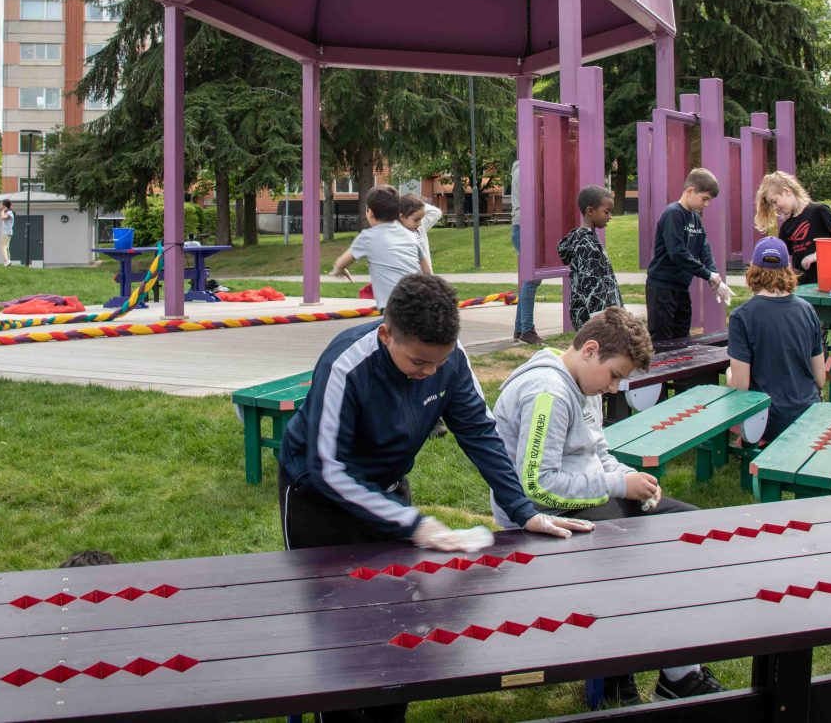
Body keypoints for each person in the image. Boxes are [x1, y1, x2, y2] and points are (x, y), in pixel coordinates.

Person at [278, 275, 592, 723]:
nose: (429, 372)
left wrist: (523, 512)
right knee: (337, 632)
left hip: (387, 488)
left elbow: (479, 432)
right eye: (418, 362)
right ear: (387, 335)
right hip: (318, 498)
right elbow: (330, 469)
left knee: (403, 620)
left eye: (438, 362)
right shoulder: (347, 363)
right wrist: (414, 524)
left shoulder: (449, 359)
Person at [491, 305, 724, 704]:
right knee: (641, 555)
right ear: (590, 350)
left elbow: (598, 454)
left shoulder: (585, 383)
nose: (615, 388)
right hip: (542, 521)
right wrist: (617, 484)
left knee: (693, 530)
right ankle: (674, 675)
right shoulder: (547, 392)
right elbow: (535, 488)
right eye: (615, 375)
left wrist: (633, 480)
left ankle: (647, 668)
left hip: (583, 505)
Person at [726, 236, 826, 444]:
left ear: (752, 269)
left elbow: (740, 386)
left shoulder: (742, 316)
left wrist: (728, 374)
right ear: (788, 269)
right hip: (808, 412)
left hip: (769, 419)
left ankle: (748, 441)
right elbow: (820, 378)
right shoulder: (807, 310)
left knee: (731, 379)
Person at [645, 168, 732, 345]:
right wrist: (707, 274)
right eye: (705, 199)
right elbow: (678, 253)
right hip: (662, 287)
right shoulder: (673, 214)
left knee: (682, 340)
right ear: (690, 191)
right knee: (662, 342)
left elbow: (704, 249)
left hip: (681, 288)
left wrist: (715, 277)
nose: (706, 204)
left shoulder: (695, 218)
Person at [328, 185, 424, 312]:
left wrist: (338, 270)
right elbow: (425, 266)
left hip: (393, 308)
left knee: (353, 333)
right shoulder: (409, 234)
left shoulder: (367, 237)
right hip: (419, 302)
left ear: (370, 212)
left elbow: (341, 262)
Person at [754, 171, 831, 288]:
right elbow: (783, 258)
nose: (775, 207)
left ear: (787, 191)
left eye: (774, 201)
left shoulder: (818, 210)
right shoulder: (786, 227)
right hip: (802, 286)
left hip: (829, 282)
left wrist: (817, 255)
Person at [557, 184, 623, 331]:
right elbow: (593, 291)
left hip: (596, 322)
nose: (610, 217)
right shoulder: (587, 245)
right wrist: (603, 327)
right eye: (607, 212)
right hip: (595, 326)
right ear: (590, 211)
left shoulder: (589, 239)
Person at [507, 158, 544, 346]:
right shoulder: (525, 171)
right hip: (524, 227)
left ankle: (521, 328)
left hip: (522, 227)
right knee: (532, 278)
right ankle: (527, 330)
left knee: (530, 279)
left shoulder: (522, 169)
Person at [396, 193, 441, 274]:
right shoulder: (397, 234)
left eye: (420, 219)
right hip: (409, 280)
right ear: (402, 217)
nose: (419, 223)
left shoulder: (420, 227)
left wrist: (417, 203)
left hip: (425, 279)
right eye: (416, 220)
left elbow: (436, 212)